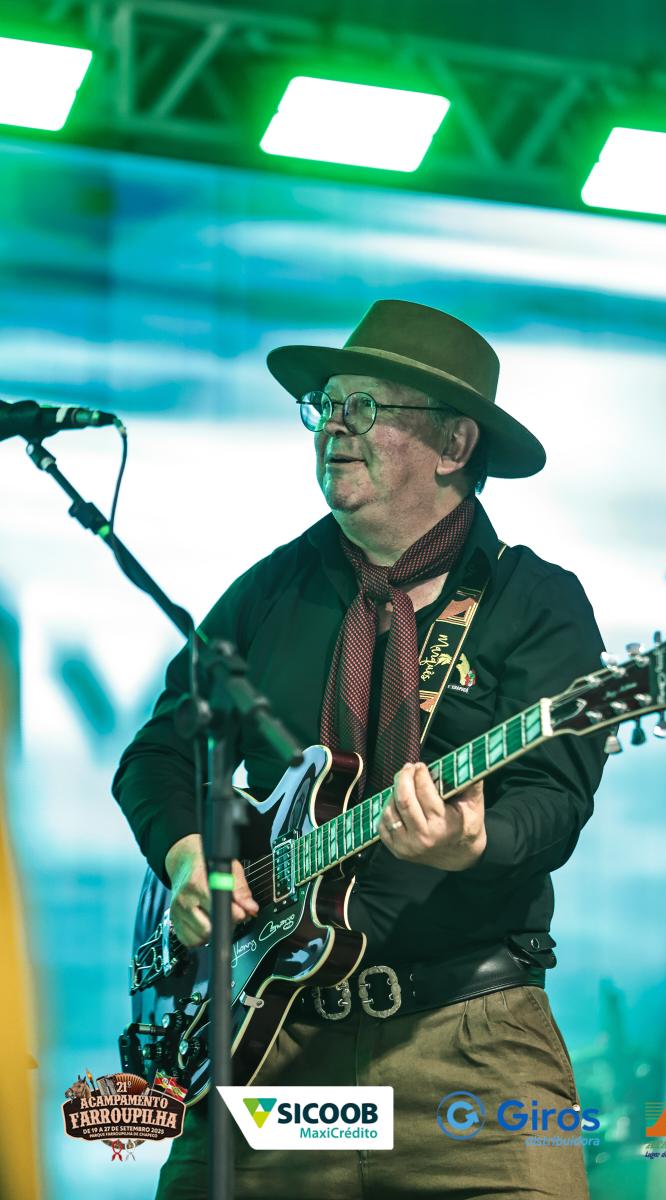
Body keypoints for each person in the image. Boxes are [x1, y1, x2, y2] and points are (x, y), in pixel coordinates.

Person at [113, 299, 607, 1199]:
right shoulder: (271, 591)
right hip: (272, 1039)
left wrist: (473, 842)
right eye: (326, 406)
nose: (332, 426)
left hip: (469, 1048)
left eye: (365, 407)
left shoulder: (535, 602)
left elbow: (556, 798)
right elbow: (158, 756)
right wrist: (189, 857)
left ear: (455, 443)